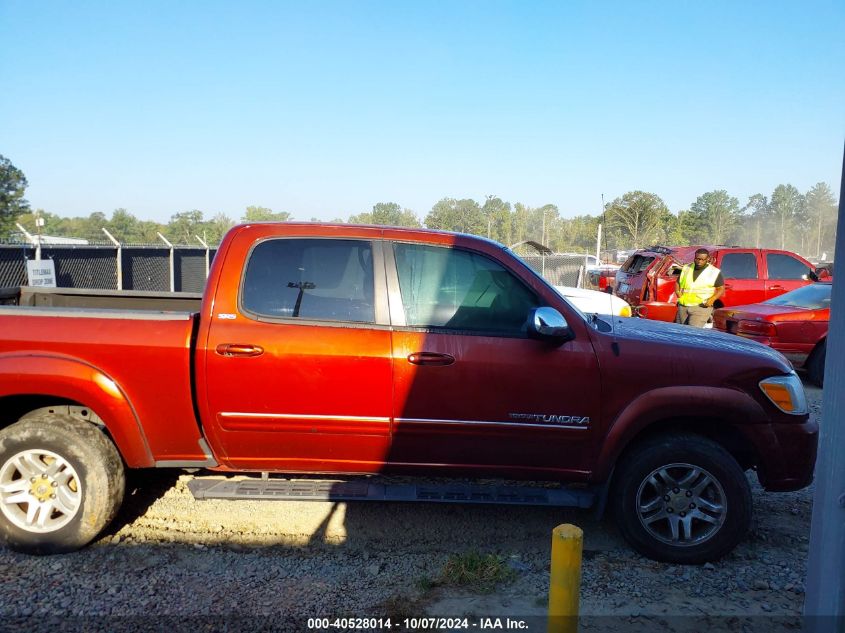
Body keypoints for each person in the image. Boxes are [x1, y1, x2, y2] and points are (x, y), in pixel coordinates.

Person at [675, 248, 725, 327]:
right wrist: (678, 293)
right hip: (684, 306)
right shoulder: (687, 268)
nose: (699, 261)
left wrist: (712, 300)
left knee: (693, 332)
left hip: (701, 306)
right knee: (681, 333)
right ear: (694, 257)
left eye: (702, 259)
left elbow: (721, 289)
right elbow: (678, 282)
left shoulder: (714, 272)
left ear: (708, 259)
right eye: (697, 259)